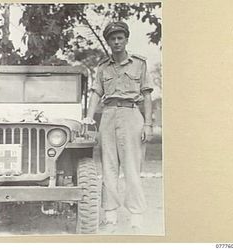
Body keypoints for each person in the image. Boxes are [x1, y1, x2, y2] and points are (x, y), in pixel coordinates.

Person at [82, 21, 153, 233]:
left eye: (120, 37)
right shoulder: (102, 67)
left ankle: (136, 215)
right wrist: (88, 117)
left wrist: (148, 123)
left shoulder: (139, 64)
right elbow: (96, 92)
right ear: (108, 42)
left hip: (132, 114)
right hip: (109, 115)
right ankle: (110, 213)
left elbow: (147, 95)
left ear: (126, 39)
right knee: (109, 167)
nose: (116, 42)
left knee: (132, 167)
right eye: (112, 39)